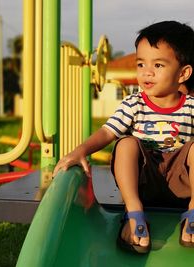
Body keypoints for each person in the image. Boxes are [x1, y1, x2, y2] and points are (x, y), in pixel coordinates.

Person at [53, 21, 194, 253]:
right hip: (143, 183)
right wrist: (81, 150)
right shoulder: (134, 103)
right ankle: (134, 214)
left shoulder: (190, 106)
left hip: (181, 185)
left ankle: (192, 215)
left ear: (183, 73)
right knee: (126, 143)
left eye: (158, 65)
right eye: (141, 64)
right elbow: (108, 131)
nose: (146, 72)